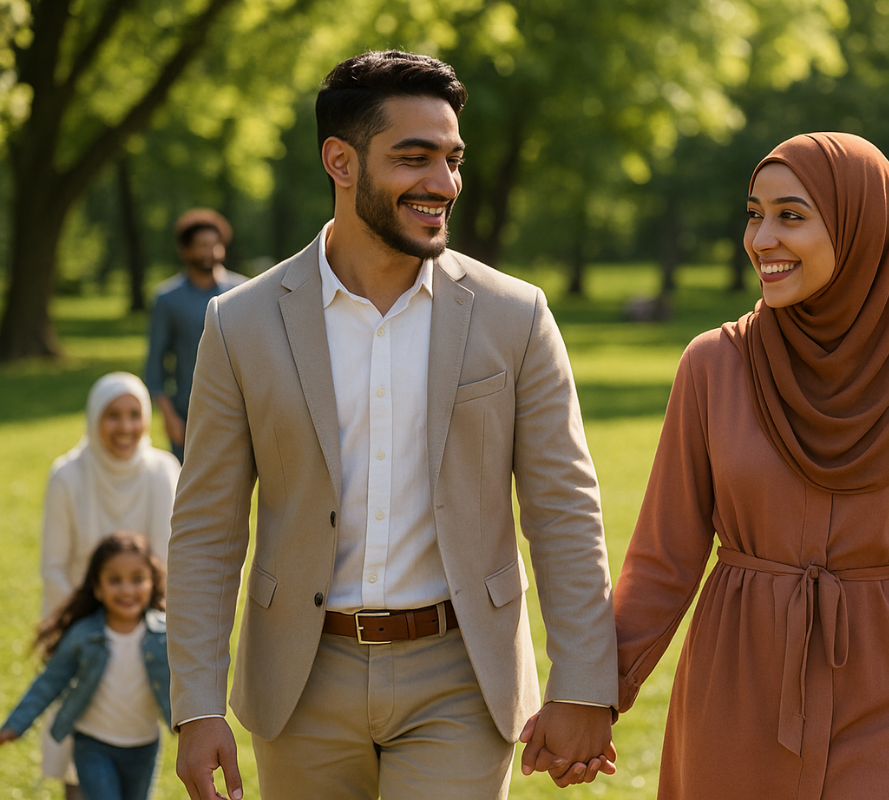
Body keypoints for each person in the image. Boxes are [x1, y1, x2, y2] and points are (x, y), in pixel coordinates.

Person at [167, 51, 618, 800]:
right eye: (414, 159)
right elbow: (208, 527)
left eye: (452, 159)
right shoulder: (239, 323)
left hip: (461, 674)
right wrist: (197, 705)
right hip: (299, 682)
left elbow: (564, 510)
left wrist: (581, 684)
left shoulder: (516, 316)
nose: (442, 184)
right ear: (340, 162)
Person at [612, 133, 889, 800]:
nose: (762, 238)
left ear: (862, 228)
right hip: (737, 686)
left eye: (791, 216)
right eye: (754, 213)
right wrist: (595, 696)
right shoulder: (714, 364)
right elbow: (663, 557)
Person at [39, 372, 180, 799]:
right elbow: (54, 567)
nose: (125, 427)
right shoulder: (67, 475)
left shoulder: (162, 471)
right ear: (94, 418)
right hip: (83, 628)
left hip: (142, 630)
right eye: (112, 416)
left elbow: (169, 564)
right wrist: (92, 630)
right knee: (79, 756)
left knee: (132, 748)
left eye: (134, 415)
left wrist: (136, 627)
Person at [1, 532, 172, 800]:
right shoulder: (83, 635)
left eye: (137, 579)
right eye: (115, 580)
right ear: (97, 587)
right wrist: (14, 725)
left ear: (152, 582)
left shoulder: (166, 636)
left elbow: (188, 683)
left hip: (144, 747)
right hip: (93, 746)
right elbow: (50, 681)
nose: (127, 589)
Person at [144, 208, 246, 462]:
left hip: (239, 413)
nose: (210, 252)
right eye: (202, 245)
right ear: (185, 250)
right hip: (188, 415)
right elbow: (155, 365)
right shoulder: (167, 300)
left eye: (215, 245)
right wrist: (169, 418)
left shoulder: (245, 292)